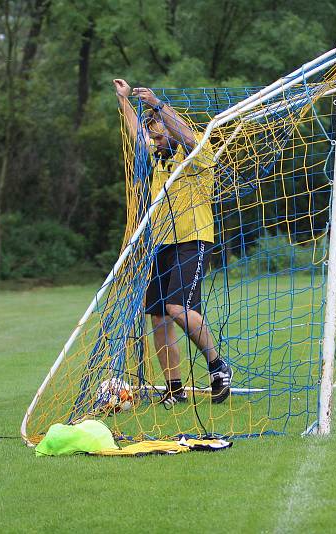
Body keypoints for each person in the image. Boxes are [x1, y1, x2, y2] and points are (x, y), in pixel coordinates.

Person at [113, 78, 232, 406]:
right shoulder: (156, 156)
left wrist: (157, 105)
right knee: (159, 316)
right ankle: (174, 388)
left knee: (178, 307)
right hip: (162, 242)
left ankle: (218, 367)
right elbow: (137, 133)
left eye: (159, 129)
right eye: (152, 130)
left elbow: (188, 136)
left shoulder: (198, 154)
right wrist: (124, 100)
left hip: (193, 240)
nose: (153, 134)